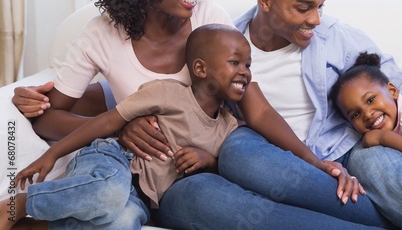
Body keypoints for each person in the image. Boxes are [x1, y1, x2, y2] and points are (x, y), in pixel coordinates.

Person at [12, 0, 402, 228]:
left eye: (319, 6)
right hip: (260, 156)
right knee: (239, 152)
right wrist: (45, 96)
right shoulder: (224, 40)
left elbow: (400, 78)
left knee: (401, 184)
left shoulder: (335, 37)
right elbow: (147, 92)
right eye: (302, 8)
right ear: (265, 1)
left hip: (349, 151)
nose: (316, 19)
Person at [2, 24, 249, 230]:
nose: (245, 72)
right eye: (235, 63)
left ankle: (36, 226)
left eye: (248, 65)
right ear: (200, 68)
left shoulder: (229, 127)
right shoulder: (166, 92)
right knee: (109, 191)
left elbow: (223, 170)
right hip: (115, 157)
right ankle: (20, 204)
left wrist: (208, 160)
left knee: (124, 221)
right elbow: (109, 120)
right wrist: (52, 155)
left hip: (144, 196)